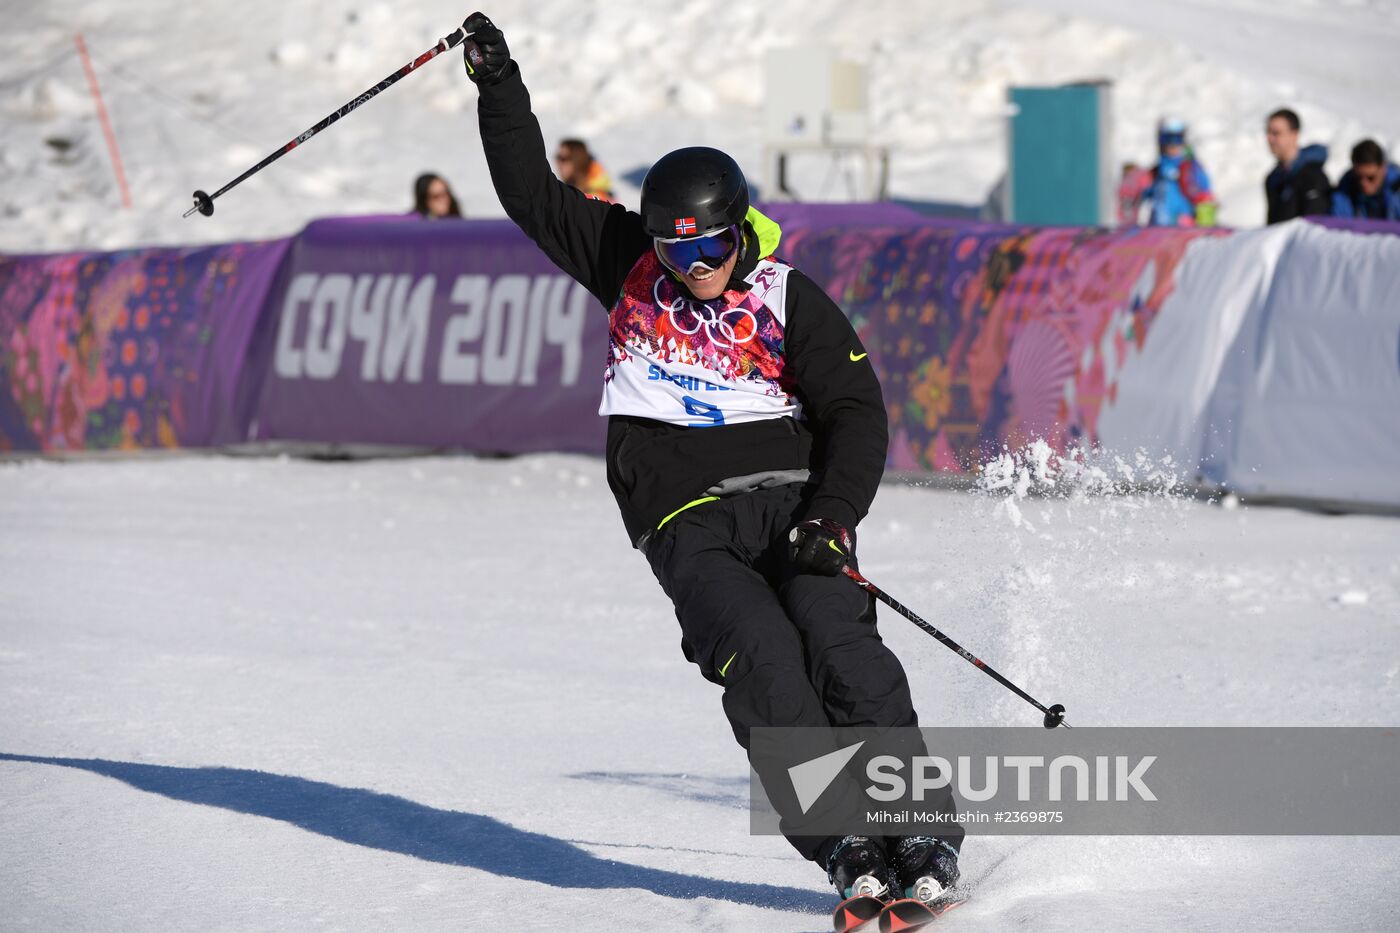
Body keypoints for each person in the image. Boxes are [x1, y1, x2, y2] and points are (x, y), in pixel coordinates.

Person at [461, 11, 964, 908]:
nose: (694, 263)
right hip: (686, 515)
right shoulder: (627, 266)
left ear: (741, 229)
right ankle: (846, 838)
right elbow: (532, 197)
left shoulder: (785, 295)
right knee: (762, 658)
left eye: (710, 244)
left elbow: (855, 410)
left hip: (796, 504)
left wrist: (835, 515)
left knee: (840, 642)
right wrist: (500, 87)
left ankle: (917, 825)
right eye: (676, 247)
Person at [1141, 117, 1217, 227]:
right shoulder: (1158, 170)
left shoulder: (1189, 168)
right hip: (1158, 228)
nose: (1172, 145)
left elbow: (1204, 196)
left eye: (1177, 140)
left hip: (1183, 228)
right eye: (1167, 140)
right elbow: (1147, 193)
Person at [1264, 109, 1331, 224]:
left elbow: (1315, 224)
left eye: (1276, 133)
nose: (1270, 139)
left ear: (1294, 135)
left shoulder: (1313, 175)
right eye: (1268, 132)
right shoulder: (1272, 179)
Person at [1331, 139, 1400, 221]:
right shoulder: (1345, 190)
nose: (1364, 183)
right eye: (1358, 177)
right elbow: (1338, 224)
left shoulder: (1397, 189)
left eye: (1371, 178)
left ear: (1383, 168)